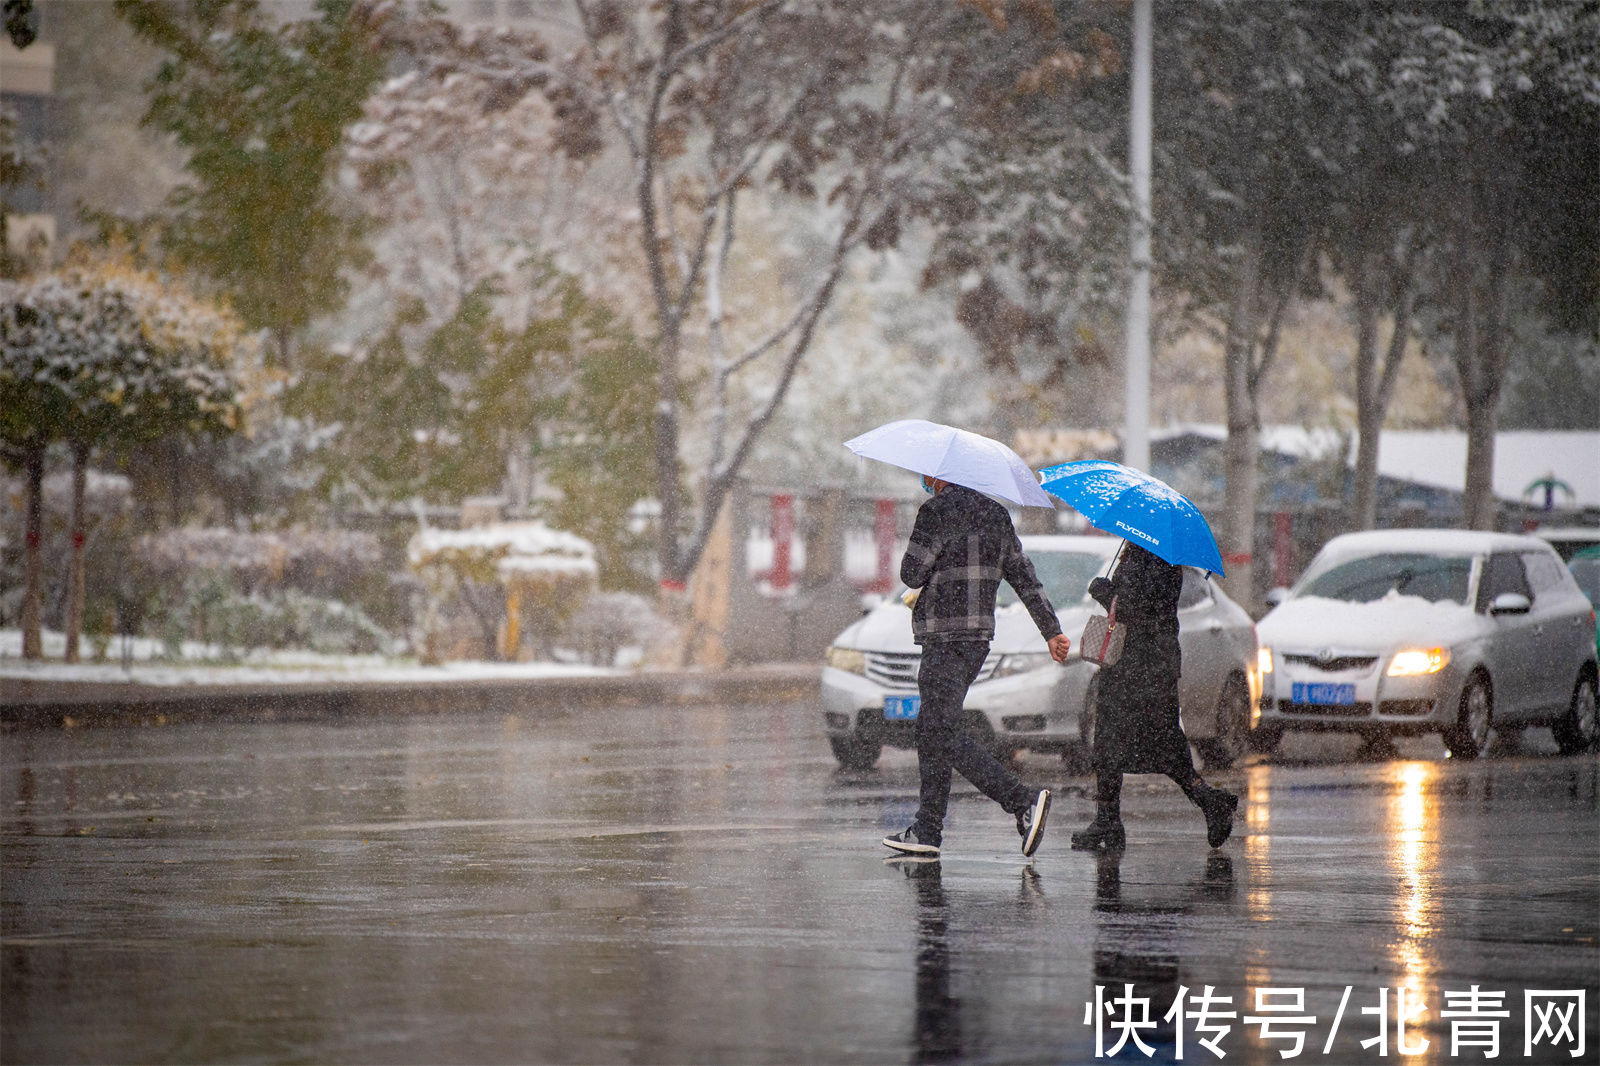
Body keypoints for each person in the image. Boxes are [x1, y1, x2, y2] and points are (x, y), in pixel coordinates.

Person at [883, 475, 1074, 859]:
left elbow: (911, 573)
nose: (924, 481)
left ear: (939, 477)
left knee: (939, 730)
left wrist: (928, 570)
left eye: (927, 475)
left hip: (943, 637)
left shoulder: (936, 512)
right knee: (933, 728)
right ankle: (928, 830)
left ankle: (1021, 801)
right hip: (976, 641)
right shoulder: (996, 514)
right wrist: (1051, 630)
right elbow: (1024, 576)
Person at [1070, 541, 1238, 851]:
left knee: (1162, 744)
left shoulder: (1156, 561)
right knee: (1109, 740)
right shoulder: (1140, 555)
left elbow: (1137, 611)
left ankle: (1212, 801)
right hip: (1127, 664)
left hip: (1147, 668)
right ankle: (1107, 819)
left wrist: (1105, 594)